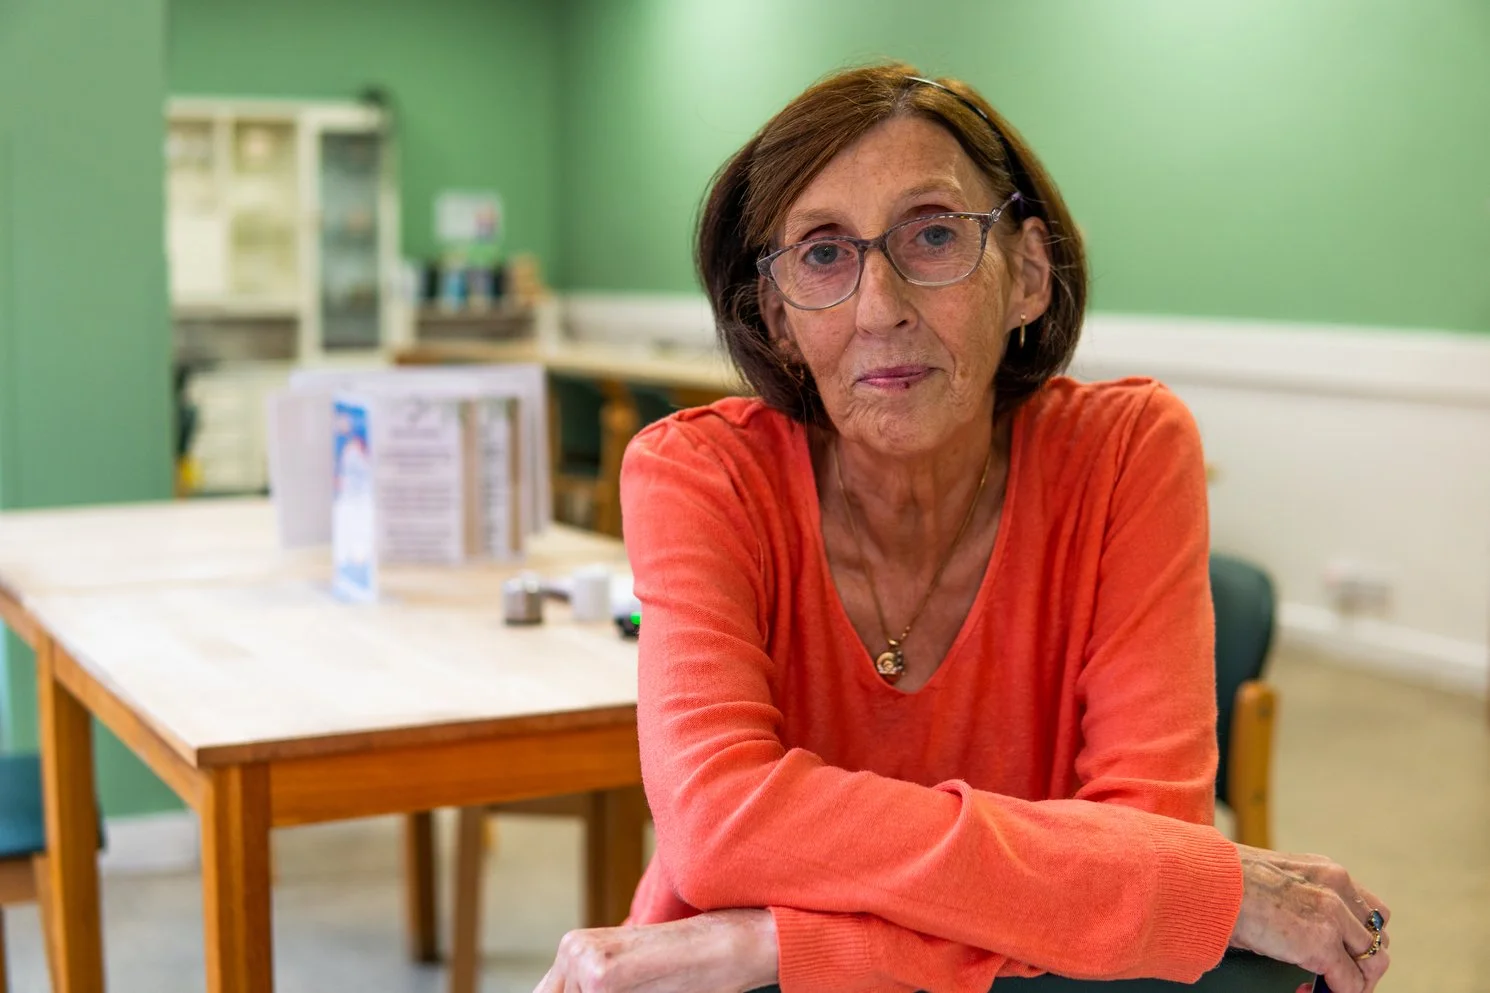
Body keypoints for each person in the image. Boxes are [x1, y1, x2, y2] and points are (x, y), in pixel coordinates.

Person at [534, 63, 1391, 993]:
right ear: (776, 317)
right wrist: (1114, 888)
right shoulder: (699, 475)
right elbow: (719, 829)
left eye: (934, 235)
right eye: (823, 253)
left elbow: (1157, 848)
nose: (881, 307)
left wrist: (782, 945)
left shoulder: (1127, 451)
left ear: (1026, 272)